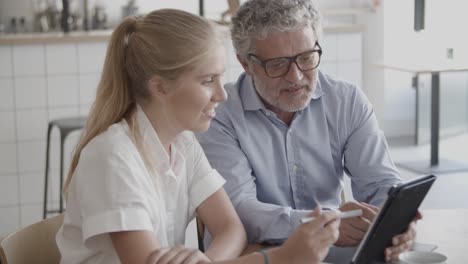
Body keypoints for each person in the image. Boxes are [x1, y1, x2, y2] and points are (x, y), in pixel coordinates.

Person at [55, 9, 341, 264]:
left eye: (220, 78)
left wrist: (206, 261)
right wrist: (280, 258)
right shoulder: (112, 156)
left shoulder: (183, 144)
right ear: (160, 87)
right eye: (208, 81)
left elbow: (232, 229)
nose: (222, 94)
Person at [197, 0, 418, 262]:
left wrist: (393, 221)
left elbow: (381, 183)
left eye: (306, 58)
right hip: (254, 253)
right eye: (278, 65)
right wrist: (323, 223)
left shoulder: (346, 100)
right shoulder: (218, 114)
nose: (296, 77)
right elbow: (240, 211)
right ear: (246, 63)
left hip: (331, 246)